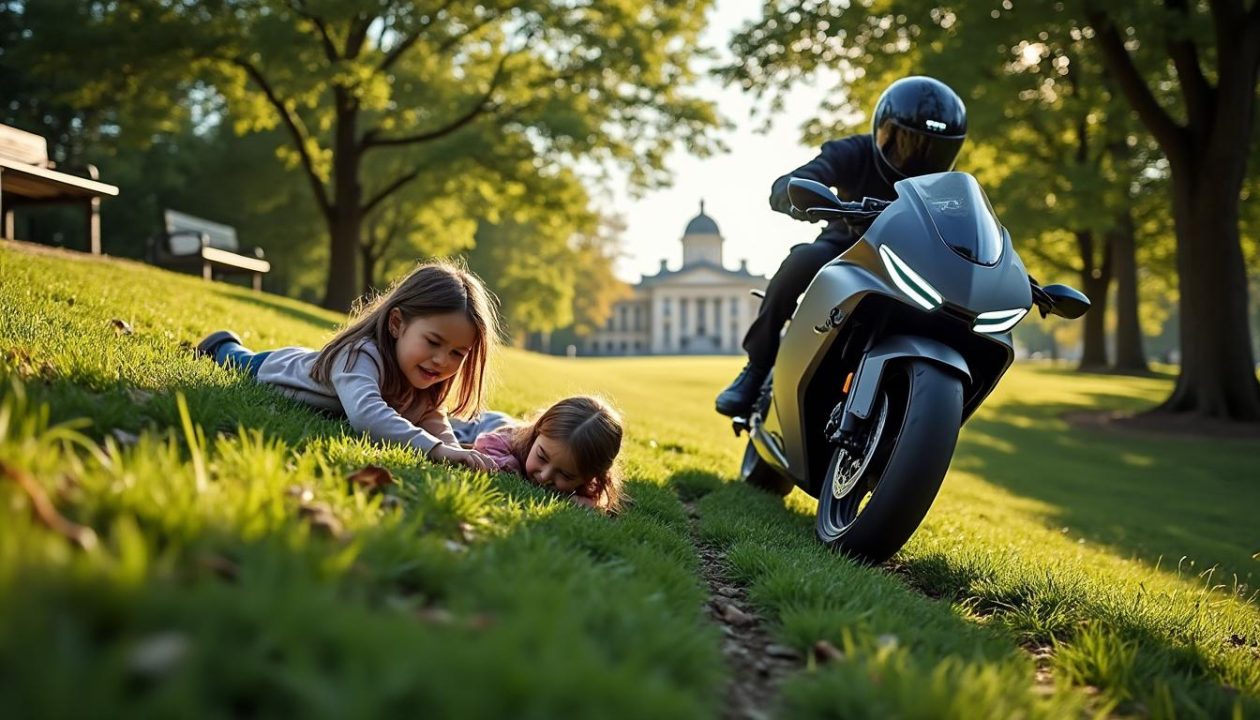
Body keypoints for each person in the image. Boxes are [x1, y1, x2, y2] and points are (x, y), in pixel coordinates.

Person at [715, 75, 969, 417]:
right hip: (847, 250)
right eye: (907, 143)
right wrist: (793, 194)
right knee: (802, 259)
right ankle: (757, 367)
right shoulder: (854, 151)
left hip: (913, 265)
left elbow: (975, 229)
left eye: (934, 150)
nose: (918, 157)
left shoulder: (952, 189)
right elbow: (802, 177)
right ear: (884, 131)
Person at [196, 260, 501, 471]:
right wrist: (434, 450)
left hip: (317, 367)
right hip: (273, 369)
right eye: (433, 342)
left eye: (458, 354)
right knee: (237, 362)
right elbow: (367, 415)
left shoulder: (423, 376)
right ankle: (224, 344)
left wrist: (455, 451)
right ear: (397, 324)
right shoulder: (360, 354)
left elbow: (433, 417)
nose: (441, 360)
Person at [452, 396, 625, 513]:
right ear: (536, 433)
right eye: (542, 457)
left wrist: (585, 503)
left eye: (565, 475)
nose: (544, 476)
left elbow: (596, 502)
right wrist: (512, 468)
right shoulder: (509, 439)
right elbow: (485, 444)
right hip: (483, 424)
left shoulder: (591, 478)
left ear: (590, 477)